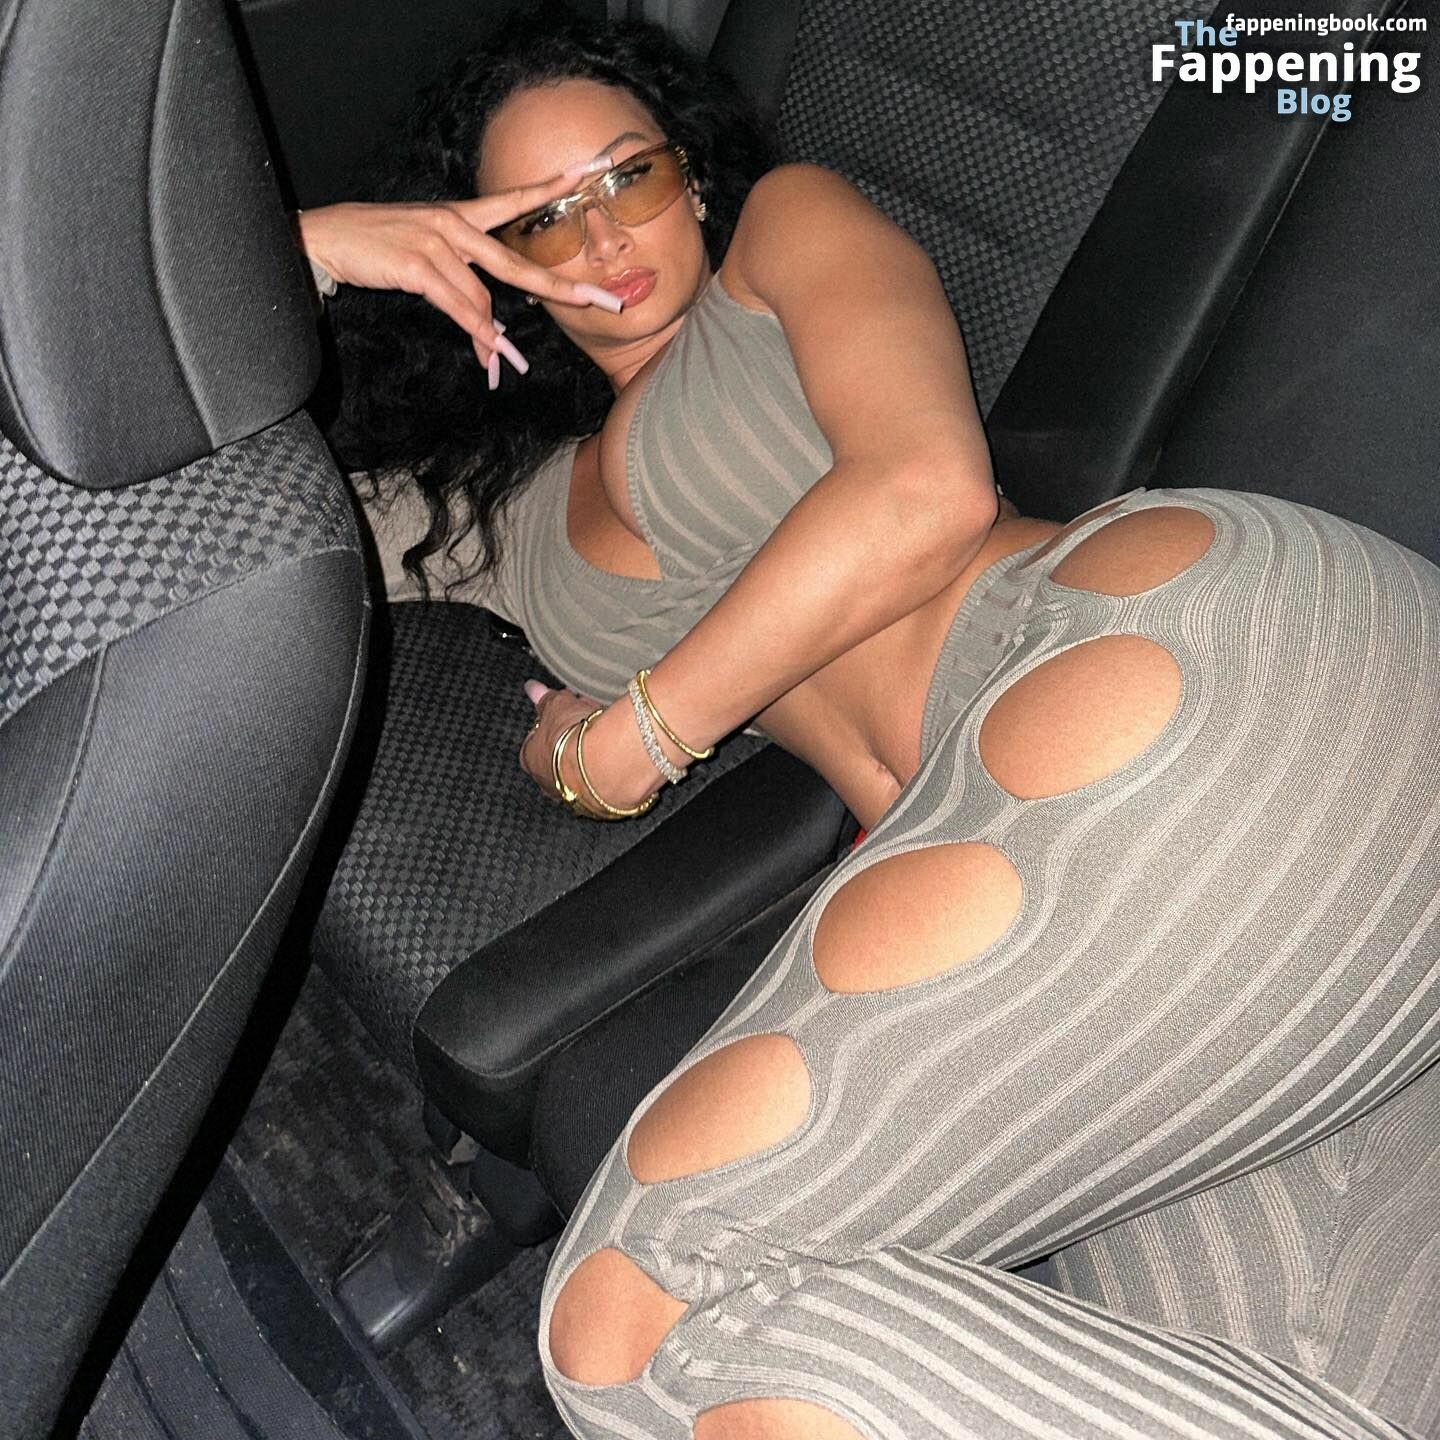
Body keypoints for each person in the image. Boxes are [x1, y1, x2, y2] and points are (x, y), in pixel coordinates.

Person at [302, 13, 1440, 1438]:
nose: (599, 237)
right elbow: (232, 508)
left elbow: (922, 488)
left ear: (690, 179)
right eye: (539, 217)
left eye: (627, 177)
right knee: (1286, 1371)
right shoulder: (510, 523)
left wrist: (622, 742)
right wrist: (318, 248)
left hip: (1201, 675)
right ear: (486, 257)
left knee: (645, 1320)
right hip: (1214, 921)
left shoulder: (787, 235)